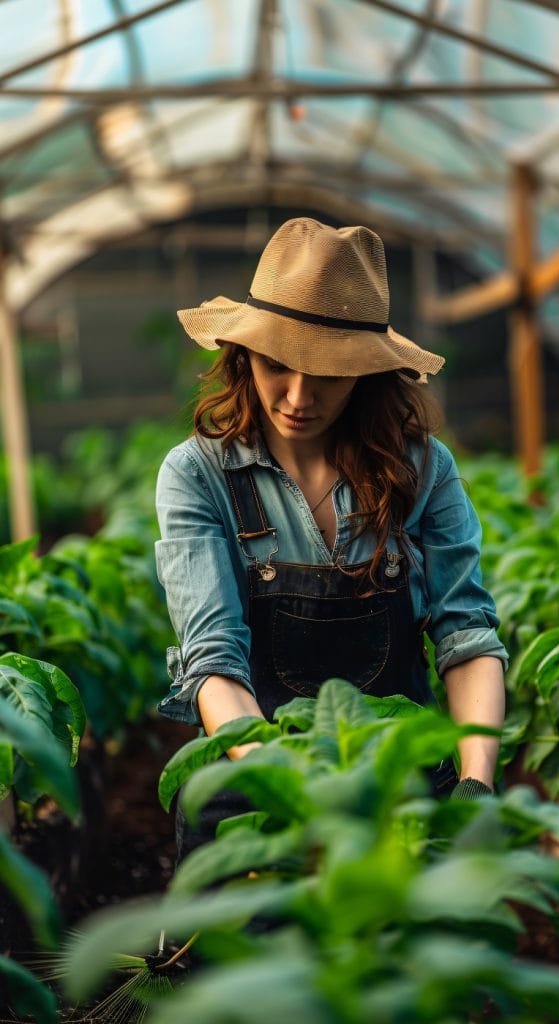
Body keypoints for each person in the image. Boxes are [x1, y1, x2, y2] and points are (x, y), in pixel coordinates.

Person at [155, 216, 507, 858]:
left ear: (368, 374)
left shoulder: (424, 469)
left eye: (329, 373)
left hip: (396, 776)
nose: (296, 396)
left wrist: (477, 779)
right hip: (256, 778)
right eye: (276, 364)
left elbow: (466, 635)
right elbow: (215, 663)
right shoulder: (198, 476)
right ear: (242, 354)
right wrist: (295, 792)